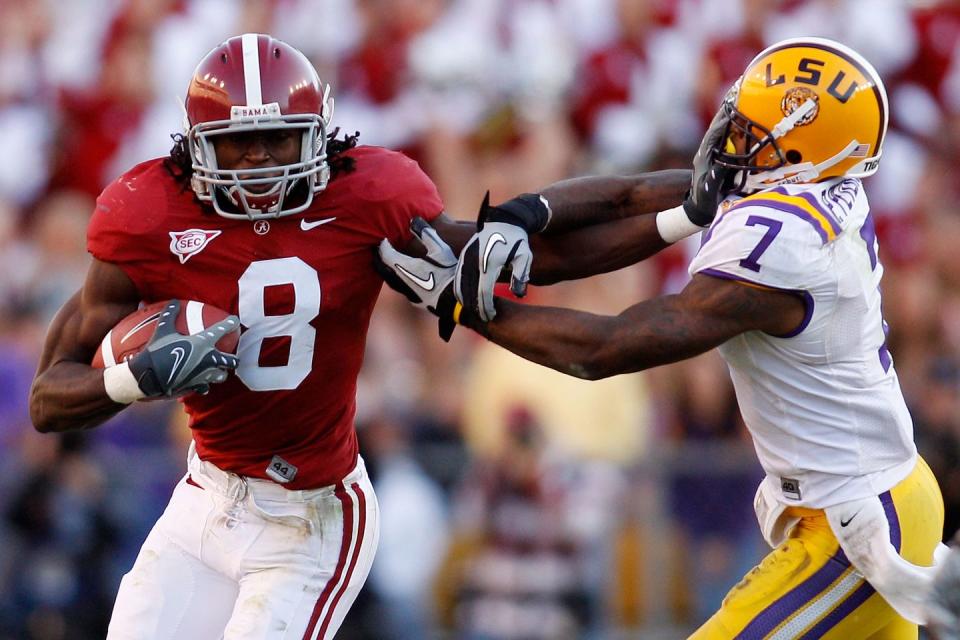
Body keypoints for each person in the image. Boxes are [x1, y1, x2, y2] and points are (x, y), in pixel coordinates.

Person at [27, 33, 709, 640]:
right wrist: (133, 378)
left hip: (313, 518)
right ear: (195, 148)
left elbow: (531, 258)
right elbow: (48, 399)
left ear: (320, 135)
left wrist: (684, 209)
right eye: (239, 143)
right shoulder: (144, 213)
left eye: (280, 140)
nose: (262, 163)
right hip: (204, 497)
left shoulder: (371, 195)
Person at [378, 37, 948, 638]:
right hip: (882, 495)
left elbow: (607, 348)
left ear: (801, 148)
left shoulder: (787, 243)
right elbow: (631, 197)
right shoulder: (808, 184)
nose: (733, 133)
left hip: (854, 523)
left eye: (755, 128)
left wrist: (468, 305)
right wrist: (516, 219)